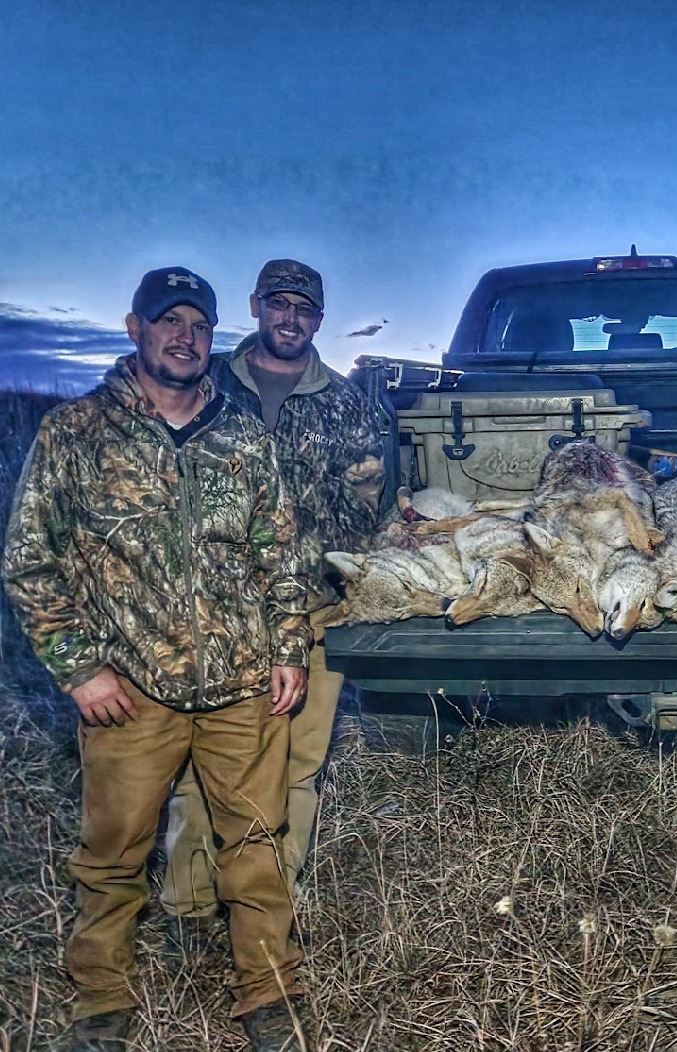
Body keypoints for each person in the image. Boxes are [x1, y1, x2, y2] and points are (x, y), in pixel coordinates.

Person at [3, 267, 313, 1050]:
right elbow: (30, 562)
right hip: (131, 692)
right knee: (112, 858)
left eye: (199, 325)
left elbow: (279, 553)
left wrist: (288, 647)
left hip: (243, 687)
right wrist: (79, 666)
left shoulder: (243, 437)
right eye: (169, 321)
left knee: (257, 848)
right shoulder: (77, 433)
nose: (186, 337)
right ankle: (101, 1005)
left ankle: (269, 997)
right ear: (135, 329)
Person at [161, 259, 384, 933]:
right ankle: (191, 906)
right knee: (200, 764)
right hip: (214, 608)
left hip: (313, 610)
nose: (291, 318)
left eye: (304, 309)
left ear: (319, 320)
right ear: (257, 305)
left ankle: (268, 907)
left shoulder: (346, 402)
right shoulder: (203, 382)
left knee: (299, 762)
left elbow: (366, 507)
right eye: (280, 304)